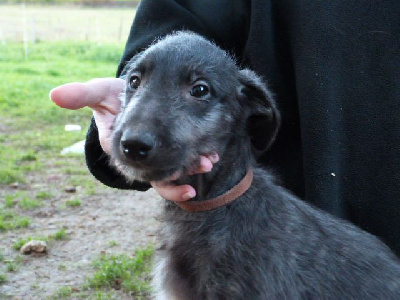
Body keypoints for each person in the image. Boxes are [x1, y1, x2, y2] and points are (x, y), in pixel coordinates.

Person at [51, 0, 400, 255]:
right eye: (137, 83)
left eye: (198, 91)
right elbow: (177, 28)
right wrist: (135, 83)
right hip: (275, 221)